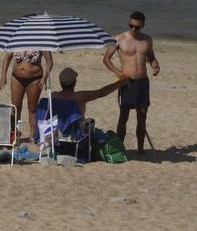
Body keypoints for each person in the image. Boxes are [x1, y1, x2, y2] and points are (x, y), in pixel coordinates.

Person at [103, 11, 159, 153]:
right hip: (127, 82)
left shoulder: (147, 40)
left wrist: (155, 65)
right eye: (131, 25)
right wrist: (118, 73)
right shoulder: (119, 38)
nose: (133, 29)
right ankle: (120, 148)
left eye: (137, 27)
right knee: (124, 115)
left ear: (143, 26)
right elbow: (106, 59)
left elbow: (151, 57)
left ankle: (140, 149)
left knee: (142, 114)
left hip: (143, 82)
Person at [0, 49, 53, 143]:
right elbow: (7, 58)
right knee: (15, 107)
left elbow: (50, 62)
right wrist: (3, 77)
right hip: (16, 78)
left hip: (35, 79)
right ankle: (14, 133)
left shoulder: (41, 41)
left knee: (32, 108)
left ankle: (32, 136)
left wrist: (44, 78)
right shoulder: (17, 40)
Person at [51, 67, 123, 116]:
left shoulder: (53, 96)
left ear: (60, 83)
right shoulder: (79, 97)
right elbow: (102, 92)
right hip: (76, 133)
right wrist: (120, 83)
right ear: (74, 82)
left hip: (57, 132)